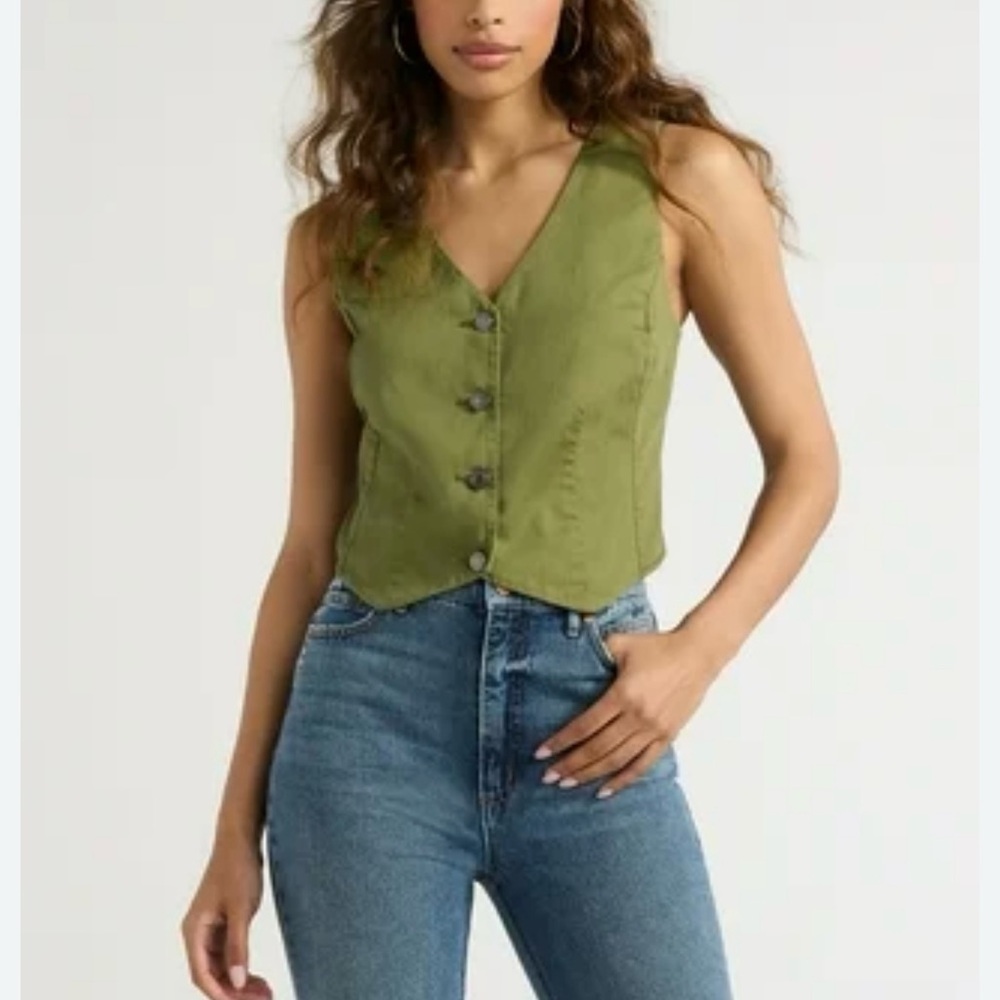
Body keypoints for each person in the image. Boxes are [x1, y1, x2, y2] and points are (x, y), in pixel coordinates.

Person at [180, 0, 840, 996]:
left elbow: (806, 460)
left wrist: (697, 654)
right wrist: (234, 834)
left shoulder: (679, 180)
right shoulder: (338, 235)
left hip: (593, 715)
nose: (485, 10)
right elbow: (309, 546)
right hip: (367, 729)